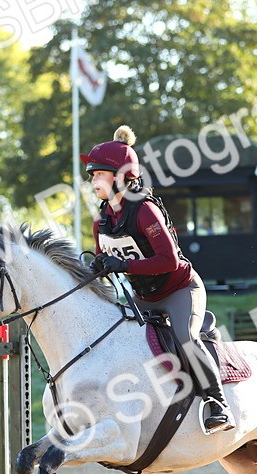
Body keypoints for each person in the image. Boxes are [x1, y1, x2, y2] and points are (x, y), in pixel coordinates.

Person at [81, 125, 234, 434]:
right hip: (143, 297)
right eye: (92, 175)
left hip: (179, 289)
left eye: (99, 174)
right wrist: (99, 265)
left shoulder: (144, 210)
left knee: (184, 336)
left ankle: (217, 403)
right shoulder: (102, 219)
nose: (93, 180)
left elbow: (169, 261)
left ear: (122, 177)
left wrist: (122, 264)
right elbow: (103, 257)